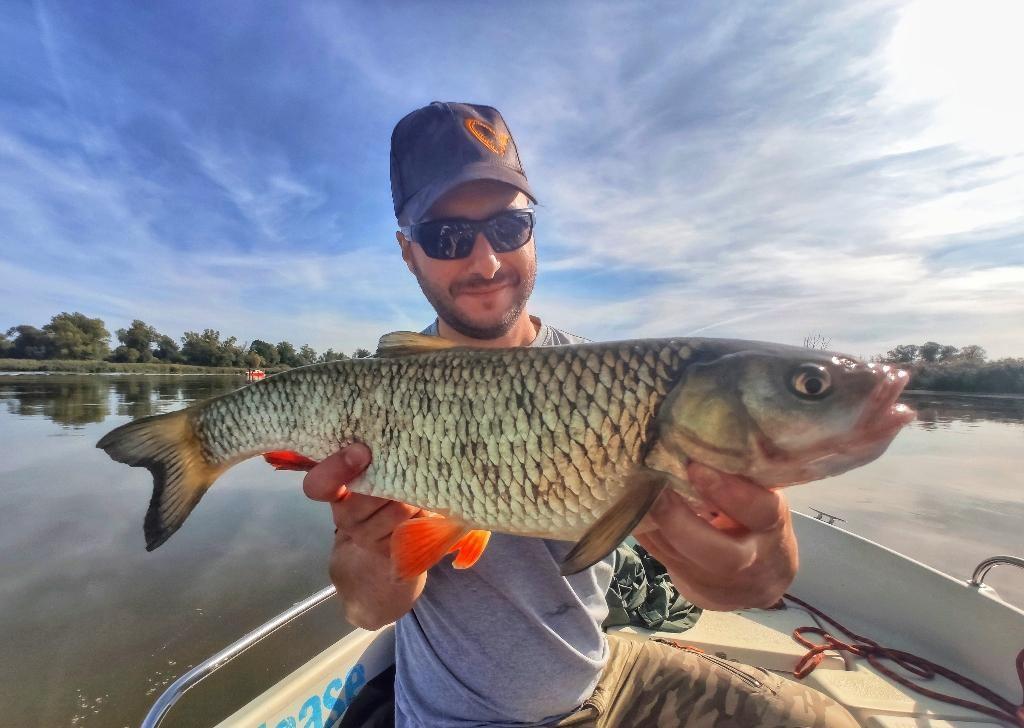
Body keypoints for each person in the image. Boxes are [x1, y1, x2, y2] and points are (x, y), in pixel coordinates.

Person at [303, 102, 857, 727]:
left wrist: (766, 557)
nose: (485, 263)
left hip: (603, 678)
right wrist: (377, 557)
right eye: (447, 238)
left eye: (508, 229)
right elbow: (364, 609)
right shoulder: (382, 399)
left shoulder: (609, 378)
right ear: (409, 254)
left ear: (533, 231)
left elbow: (743, 583)